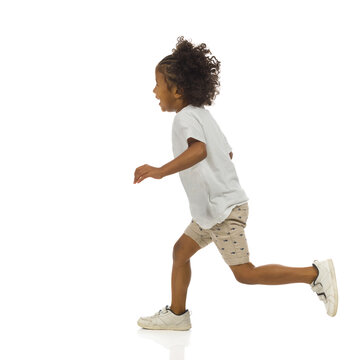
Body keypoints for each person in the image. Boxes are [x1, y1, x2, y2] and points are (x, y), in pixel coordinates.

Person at [133, 36, 338, 331]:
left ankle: (314, 274)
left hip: (223, 212)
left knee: (245, 274)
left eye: (158, 84)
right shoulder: (202, 115)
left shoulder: (184, 120)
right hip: (212, 211)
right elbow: (225, 151)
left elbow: (200, 150)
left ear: (176, 90)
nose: (154, 90)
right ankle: (177, 315)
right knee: (180, 252)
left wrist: (160, 171)